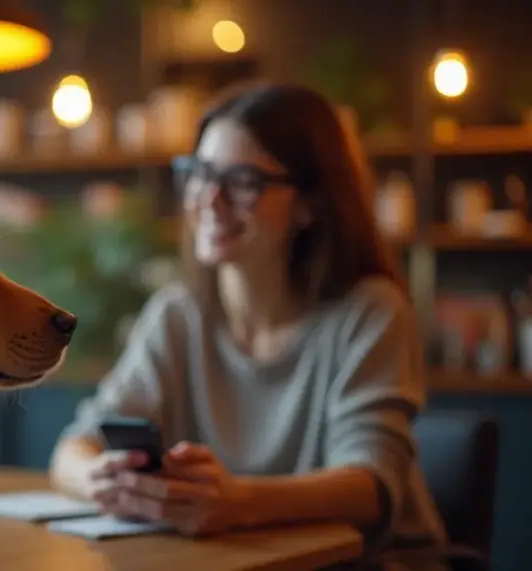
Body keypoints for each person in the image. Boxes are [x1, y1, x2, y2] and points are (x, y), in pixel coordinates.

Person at [49, 83, 448, 571]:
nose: (209, 199)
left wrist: (237, 502)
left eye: (243, 180)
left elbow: (368, 485)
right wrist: (100, 477)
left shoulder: (370, 312)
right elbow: (73, 448)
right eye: (199, 173)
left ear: (310, 205)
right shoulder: (178, 315)